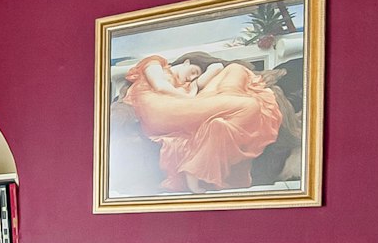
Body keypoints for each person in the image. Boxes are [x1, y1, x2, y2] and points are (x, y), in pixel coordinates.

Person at [120, 51, 284, 192]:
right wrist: (187, 95)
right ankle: (196, 166)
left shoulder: (187, 85)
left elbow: (210, 75)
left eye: (196, 75)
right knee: (249, 105)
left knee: (235, 69)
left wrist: (211, 70)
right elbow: (160, 85)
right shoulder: (155, 62)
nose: (193, 76)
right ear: (186, 62)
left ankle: (201, 158)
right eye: (194, 71)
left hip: (179, 108)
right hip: (161, 111)